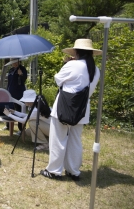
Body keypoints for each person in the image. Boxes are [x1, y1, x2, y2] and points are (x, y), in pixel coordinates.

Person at [41, 39, 101, 181]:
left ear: (76, 51)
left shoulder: (72, 65)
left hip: (64, 107)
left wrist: (67, 64)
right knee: (75, 140)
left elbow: (58, 79)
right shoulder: (95, 70)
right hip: (82, 109)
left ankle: (54, 170)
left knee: (58, 139)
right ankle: (73, 170)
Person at [4, 58, 27, 133]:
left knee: (19, 110)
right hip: (10, 93)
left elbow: (24, 79)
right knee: (9, 108)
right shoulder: (11, 70)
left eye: (16, 62)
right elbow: (9, 82)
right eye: (13, 63)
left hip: (19, 93)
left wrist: (21, 75)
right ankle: (8, 125)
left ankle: (21, 128)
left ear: (19, 61)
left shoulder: (22, 69)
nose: (14, 64)